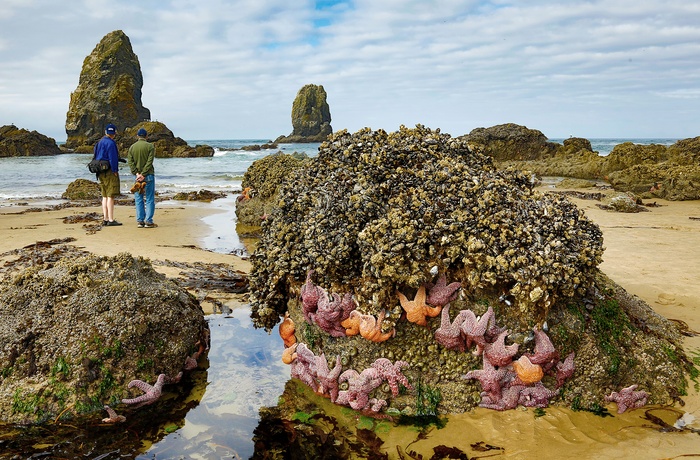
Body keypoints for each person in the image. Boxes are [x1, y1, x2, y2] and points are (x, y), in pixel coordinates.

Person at [127, 128, 157, 228]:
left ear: (137, 136)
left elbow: (130, 162)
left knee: (138, 198)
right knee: (149, 198)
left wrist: (137, 174)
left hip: (137, 177)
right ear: (146, 136)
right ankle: (148, 220)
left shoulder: (132, 147)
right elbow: (149, 162)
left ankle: (140, 221)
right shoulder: (150, 146)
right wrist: (143, 174)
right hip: (148, 175)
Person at [93, 123, 122, 226]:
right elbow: (113, 158)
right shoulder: (111, 143)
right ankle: (110, 220)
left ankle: (105, 218)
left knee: (104, 195)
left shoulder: (99, 143)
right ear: (114, 133)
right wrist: (115, 170)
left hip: (100, 170)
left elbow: (95, 156)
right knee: (110, 195)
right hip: (109, 170)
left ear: (106, 132)